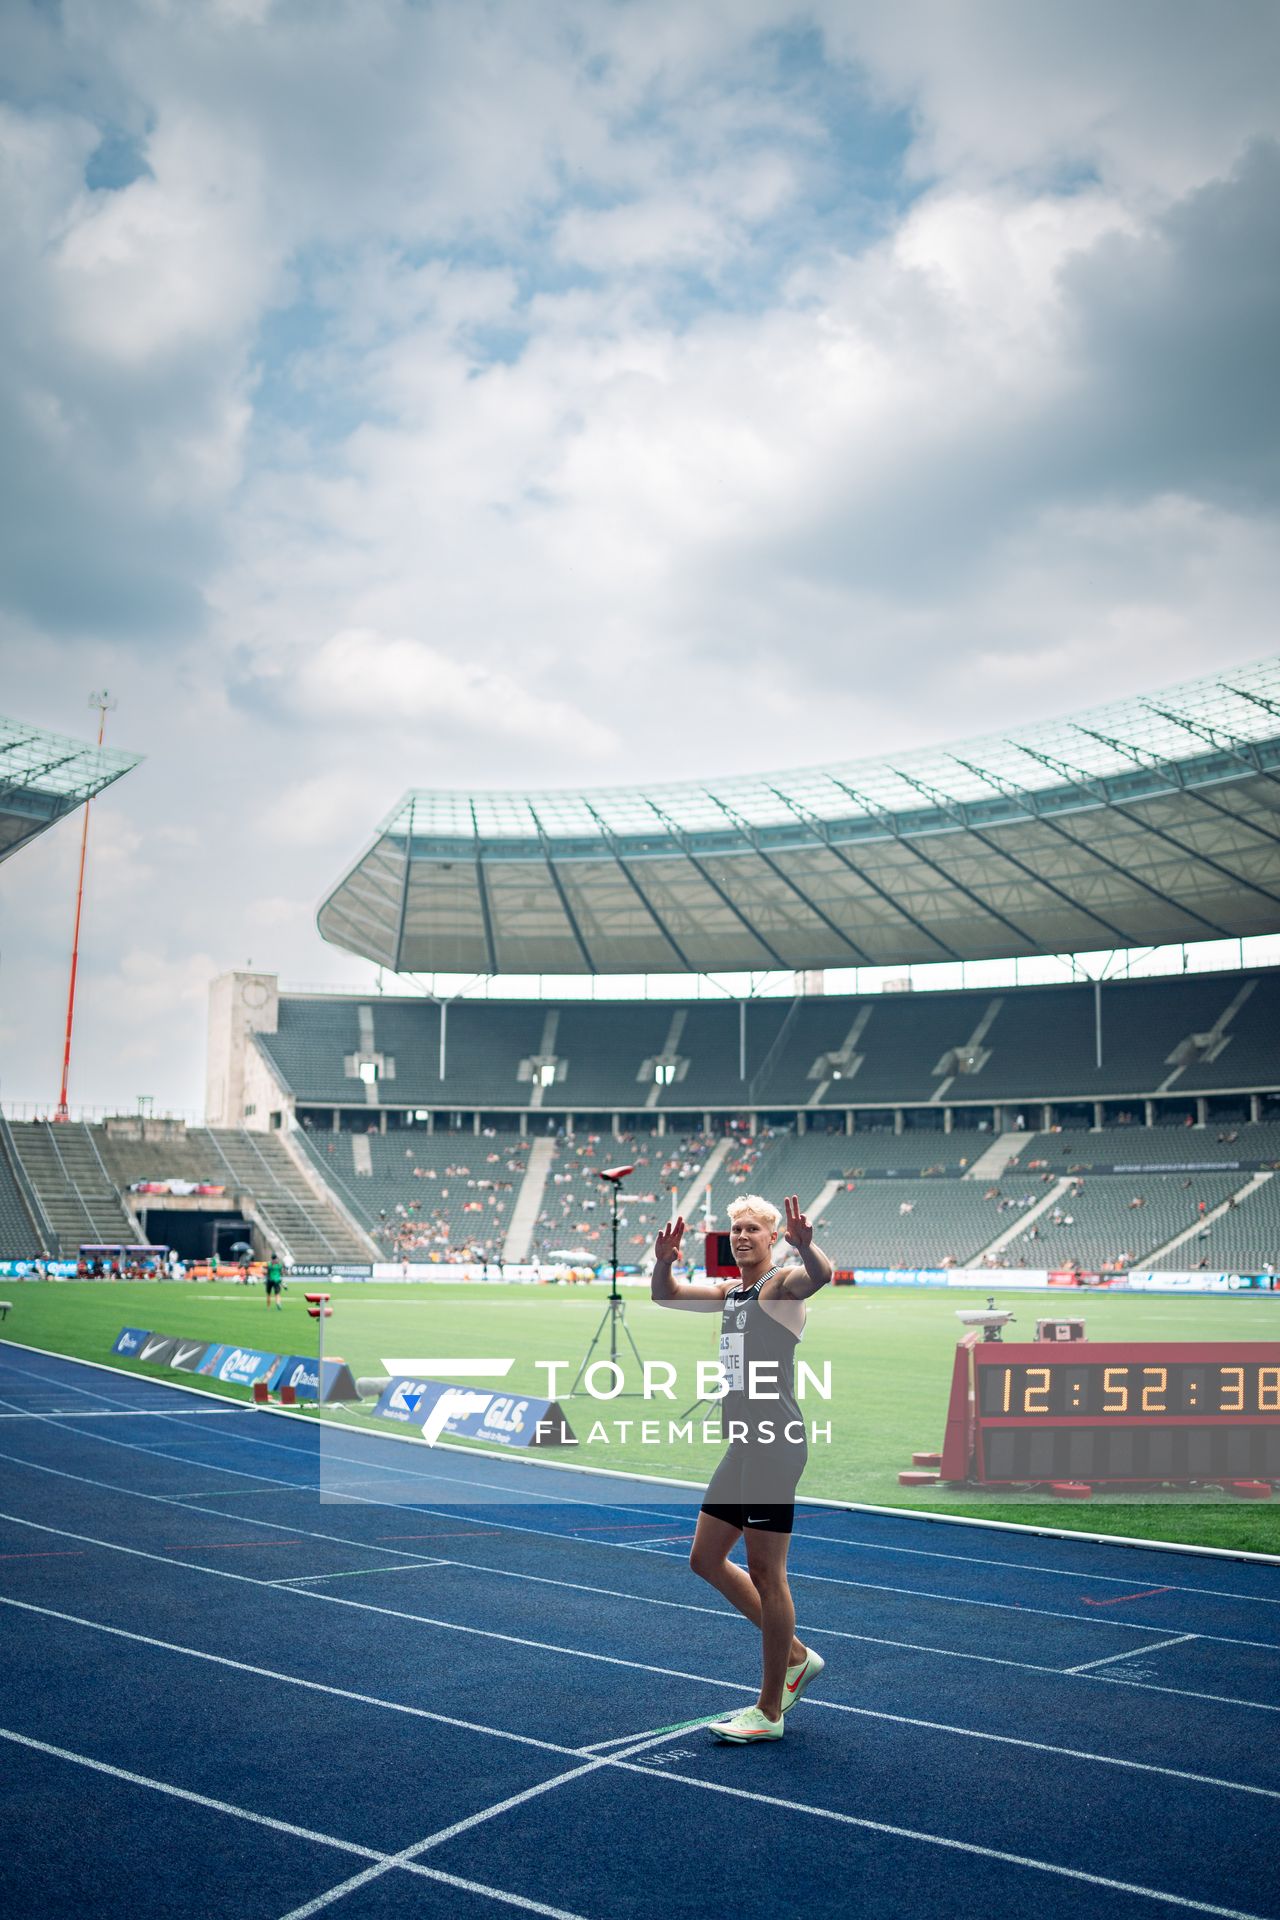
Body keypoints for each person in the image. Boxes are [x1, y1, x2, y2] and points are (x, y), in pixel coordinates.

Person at [651, 1192, 833, 1745]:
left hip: (776, 1442)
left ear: (773, 1237)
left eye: (754, 1228)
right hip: (743, 1444)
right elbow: (668, 1296)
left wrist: (809, 1247)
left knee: (764, 1570)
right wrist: (664, 1261)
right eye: (736, 1229)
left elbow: (817, 1278)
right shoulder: (732, 1292)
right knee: (706, 1558)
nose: (743, 1236)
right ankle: (798, 1657)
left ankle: (769, 1710)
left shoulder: (780, 1285)